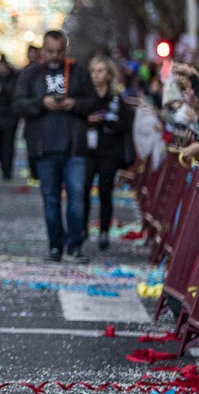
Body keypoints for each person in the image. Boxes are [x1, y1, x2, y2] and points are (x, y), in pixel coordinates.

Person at [12, 29, 103, 261]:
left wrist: (75, 104)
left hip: (74, 146)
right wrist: (41, 103)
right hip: (44, 147)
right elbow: (17, 104)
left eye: (59, 52)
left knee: (77, 196)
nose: (54, 56)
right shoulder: (31, 73)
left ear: (65, 50)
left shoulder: (78, 71)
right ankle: (55, 245)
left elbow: (94, 101)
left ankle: (75, 244)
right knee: (51, 199)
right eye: (50, 51)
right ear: (43, 50)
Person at [83, 55, 131, 251]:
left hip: (109, 152)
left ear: (110, 75)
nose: (96, 75)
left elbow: (124, 124)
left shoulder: (117, 100)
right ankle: (82, 228)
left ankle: (104, 231)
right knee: (82, 189)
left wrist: (106, 121)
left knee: (105, 192)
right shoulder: (86, 97)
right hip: (88, 151)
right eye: (93, 71)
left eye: (100, 71)